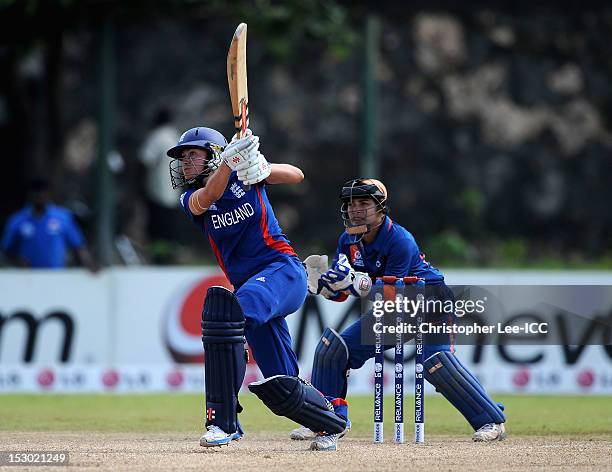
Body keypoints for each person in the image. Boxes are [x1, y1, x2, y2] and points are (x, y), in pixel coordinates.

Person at [166, 127, 347, 450]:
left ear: (214, 153)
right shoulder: (189, 198)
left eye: (192, 154)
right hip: (255, 287)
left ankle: (223, 422)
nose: (185, 163)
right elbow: (207, 198)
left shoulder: (246, 176)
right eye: (182, 157)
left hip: (282, 271)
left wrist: (261, 167)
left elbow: (296, 175)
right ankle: (328, 422)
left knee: (227, 316)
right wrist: (228, 165)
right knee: (283, 384)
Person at [290, 178, 507, 448]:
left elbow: (395, 295)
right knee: (333, 350)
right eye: (351, 204)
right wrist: (325, 286)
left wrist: (359, 283)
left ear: (381, 208)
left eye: (364, 204)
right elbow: (345, 292)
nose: (356, 210)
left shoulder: (400, 240)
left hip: (430, 303)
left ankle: (492, 421)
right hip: (393, 309)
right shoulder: (347, 240)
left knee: (436, 362)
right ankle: (326, 419)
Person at [1, 178, 97, 271]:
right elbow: (6, 251)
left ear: (48, 194)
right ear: (30, 195)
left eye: (42, 193)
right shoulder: (17, 220)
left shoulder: (62, 217)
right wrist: (16, 262)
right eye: (36, 194)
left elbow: (78, 245)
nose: (39, 197)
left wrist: (88, 262)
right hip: (27, 278)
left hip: (55, 277)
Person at [138, 107, 181, 245]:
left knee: (156, 228)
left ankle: (159, 257)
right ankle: (167, 255)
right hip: (173, 192)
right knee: (169, 228)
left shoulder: (156, 136)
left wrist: (138, 186)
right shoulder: (176, 136)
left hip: (156, 191)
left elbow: (144, 161)